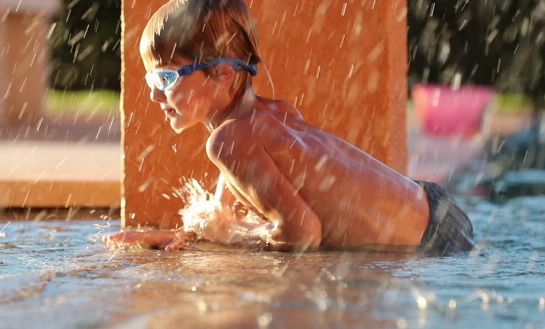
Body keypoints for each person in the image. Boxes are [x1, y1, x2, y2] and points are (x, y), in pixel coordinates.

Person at [104, 0, 475, 255]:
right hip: (437, 208)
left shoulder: (228, 141)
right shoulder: (267, 116)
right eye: (151, 78)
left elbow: (301, 235)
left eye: (166, 77)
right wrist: (192, 234)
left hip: (428, 246)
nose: (153, 94)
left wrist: (233, 240)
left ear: (221, 74)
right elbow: (222, 211)